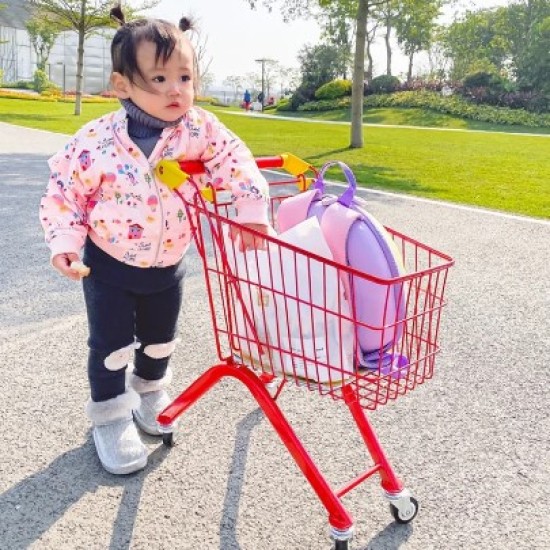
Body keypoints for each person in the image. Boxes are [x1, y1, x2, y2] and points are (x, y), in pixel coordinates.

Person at [39, 5, 270, 475]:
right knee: (112, 344)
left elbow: (236, 161)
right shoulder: (97, 141)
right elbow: (65, 191)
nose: (176, 91)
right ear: (123, 85)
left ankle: (149, 391)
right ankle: (109, 415)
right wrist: (63, 241)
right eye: (160, 80)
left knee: (160, 339)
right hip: (109, 267)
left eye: (184, 78)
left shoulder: (199, 130)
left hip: (169, 266)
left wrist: (251, 208)